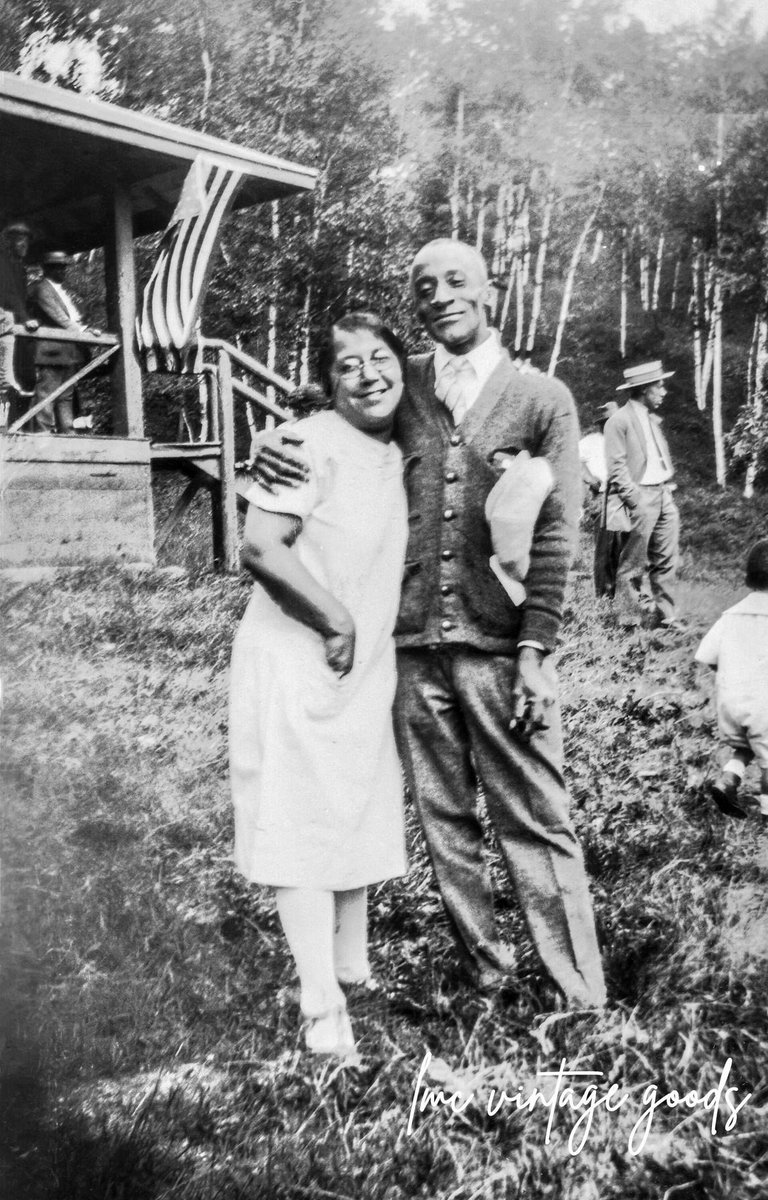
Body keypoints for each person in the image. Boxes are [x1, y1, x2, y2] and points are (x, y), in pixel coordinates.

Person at [253, 239, 606, 1010]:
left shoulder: (544, 399)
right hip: (411, 652)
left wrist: (536, 651)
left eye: (456, 280)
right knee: (444, 823)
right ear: (413, 306)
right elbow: (333, 404)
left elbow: (556, 535)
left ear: (491, 290)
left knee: (535, 818)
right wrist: (273, 437)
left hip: (500, 648)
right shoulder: (403, 381)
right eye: (423, 286)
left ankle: (579, 994)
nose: (440, 294)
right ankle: (486, 975)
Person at [230, 312, 408, 1057]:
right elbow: (260, 546)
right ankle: (318, 1003)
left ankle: (348, 965)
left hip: (361, 660)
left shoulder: (402, 446)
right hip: (298, 647)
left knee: (353, 798)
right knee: (303, 813)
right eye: (347, 366)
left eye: (380, 357)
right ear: (326, 384)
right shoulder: (307, 446)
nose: (368, 374)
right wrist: (334, 620)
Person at [695, 538, 768, 823]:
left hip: (731, 704)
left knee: (747, 744)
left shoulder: (730, 615)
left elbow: (707, 655)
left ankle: (728, 779)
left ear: (748, 578)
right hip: (767, 707)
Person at [604, 360, 681, 629]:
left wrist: (667, 491)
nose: (664, 391)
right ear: (644, 389)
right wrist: (634, 500)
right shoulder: (619, 421)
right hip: (641, 497)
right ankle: (628, 620)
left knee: (666, 559)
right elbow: (616, 466)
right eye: (659, 386)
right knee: (633, 563)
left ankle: (667, 617)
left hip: (663, 495)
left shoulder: (652, 420)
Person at [28, 250, 92, 434]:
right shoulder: (41, 288)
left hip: (68, 352)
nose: (63, 272)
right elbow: (59, 318)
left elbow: (71, 318)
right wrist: (83, 333)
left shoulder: (60, 291)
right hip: (51, 351)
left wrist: (84, 331)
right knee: (47, 394)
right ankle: (42, 434)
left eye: (64, 268)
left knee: (66, 396)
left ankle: (68, 432)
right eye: (58, 268)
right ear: (47, 269)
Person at [579, 401, 622, 598]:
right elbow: (575, 463)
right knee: (604, 545)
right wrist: (590, 479)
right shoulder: (590, 441)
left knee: (620, 547)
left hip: (620, 496)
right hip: (600, 495)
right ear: (602, 423)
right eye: (608, 422)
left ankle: (616, 592)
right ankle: (602, 595)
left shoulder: (623, 441)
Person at [0, 220, 32, 425]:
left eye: (26, 242)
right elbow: (8, 294)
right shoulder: (2, 263)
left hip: (15, 327)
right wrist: (26, 318)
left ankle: (14, 424)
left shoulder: (21, 269)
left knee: (23, 377)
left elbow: (21, 297)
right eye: (20, 241)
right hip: (5, 323)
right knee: (5, 377)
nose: (24, 246)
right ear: (9, 242)